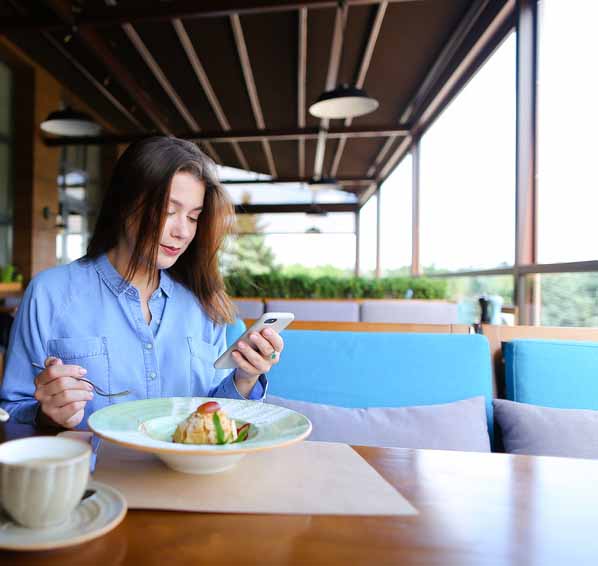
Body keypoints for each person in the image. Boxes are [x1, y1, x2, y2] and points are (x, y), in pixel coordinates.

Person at [0, 137, 283, 429]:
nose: (183, 231)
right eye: (168, 211)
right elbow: (12, 413)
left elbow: (214, 415)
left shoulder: (203, 304)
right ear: (125, 204)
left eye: (193, 217)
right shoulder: (49, 294)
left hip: (188, 475)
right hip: (92, 473)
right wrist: (47, 416)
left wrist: (245, 378)